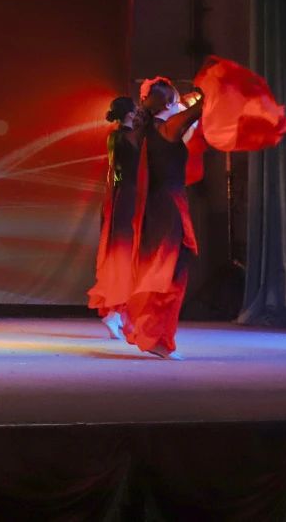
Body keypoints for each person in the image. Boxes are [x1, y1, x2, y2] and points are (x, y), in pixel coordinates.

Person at [124, 77, 203, 360]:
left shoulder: (146, 132)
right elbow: (200, 108)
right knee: (170, 273)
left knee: (161, 270)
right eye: (176, 101)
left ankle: (156, 335)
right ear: (169, 104)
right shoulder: (168, 129)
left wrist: (187, 97)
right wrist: (210, 87)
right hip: (169, 207)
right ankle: (157, 338)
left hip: (156, 206)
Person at [86, 96, 143, 341]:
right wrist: (121, 192)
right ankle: (116, 311)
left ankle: (120, 311)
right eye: (136, 109)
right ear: (129, 113)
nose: (139, 111)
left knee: (131, 255)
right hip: (127, 195)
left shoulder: (131, 135)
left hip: (131, 192)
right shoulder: (120, 137)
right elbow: (117, 170)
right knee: (124, 253)